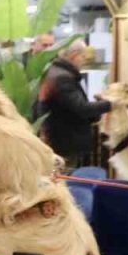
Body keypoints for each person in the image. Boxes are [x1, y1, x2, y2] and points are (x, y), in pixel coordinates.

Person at [34, 39, 111, 169]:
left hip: (61, 140)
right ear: (74, 55)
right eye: (83, 56)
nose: (84, 60)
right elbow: (81, 108)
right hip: (65, 143)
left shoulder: (57, 72)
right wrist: (109, 104)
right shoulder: (62, 78)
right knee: (65, 180)